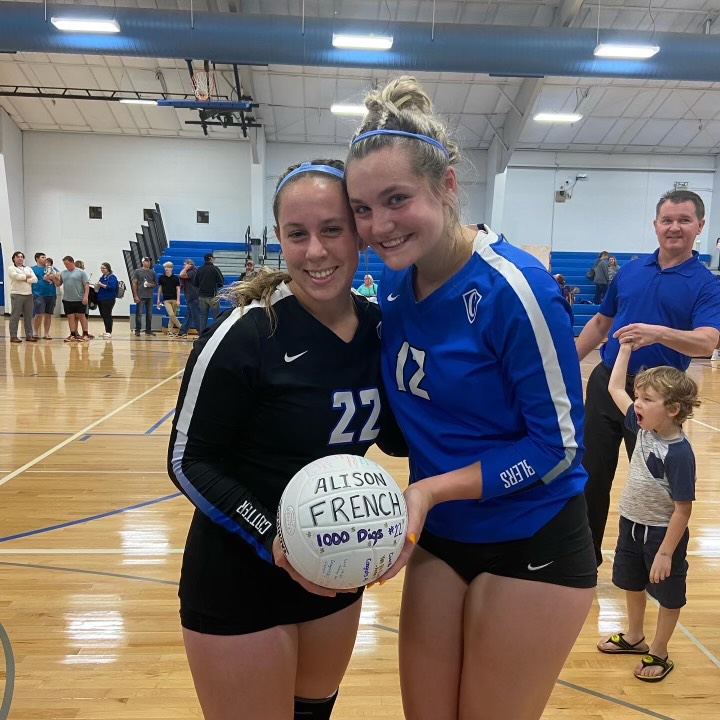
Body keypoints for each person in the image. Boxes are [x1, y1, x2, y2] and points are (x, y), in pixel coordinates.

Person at [344, 76, 596, 720]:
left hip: (531, 534)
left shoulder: (517, 289)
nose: (378, 226)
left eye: (396, 199)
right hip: (439, 537)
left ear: (448, 185)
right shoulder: (394, 286)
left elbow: (558, 446)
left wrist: (428, 490)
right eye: (363, 209)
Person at [167, 159, 402, 720]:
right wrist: (272, 536)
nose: (315, 251)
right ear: (280, 239)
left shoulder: (384, 332)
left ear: (359, 231)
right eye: (298, 234)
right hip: (240, 575)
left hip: (337, 566)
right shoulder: (246, 334)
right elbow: (188, 460)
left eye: (332, 229)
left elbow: (396, 438)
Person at [576, 189, 720, 566]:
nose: (674, 227)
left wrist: (658, 333)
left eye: (684, 220)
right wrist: (562, 364)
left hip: (659, 400)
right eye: (667, 220)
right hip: (609, 383)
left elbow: (707, 340)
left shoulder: (706, 284)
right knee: (590, 476)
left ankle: (658, 561)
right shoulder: (632, 270)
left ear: (699, 226)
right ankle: (584, 559)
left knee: (655, 485)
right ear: (655, 225)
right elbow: (601, 322)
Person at [597, 339, 699, 682]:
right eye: (637, 397)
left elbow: (683, 510)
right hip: (631, 522)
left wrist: (666, 553)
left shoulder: (680, 453)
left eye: (646, 400)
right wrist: (624, 349)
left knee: (669, 595)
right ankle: (635, 636)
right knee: (631, 582)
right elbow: (613, 386)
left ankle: (660, 650)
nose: (636, 404)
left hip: (661, 533)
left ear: (672, 409)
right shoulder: (643, 427)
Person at [57, 256, 91, 343]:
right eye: (64, 264)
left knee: (81, 316)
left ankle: (85, 334)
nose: (66, 266)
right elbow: (58, 284)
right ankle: (73, 334)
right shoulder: (63, 273)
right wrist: (53, 278)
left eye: (67, 264)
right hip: (67, 299)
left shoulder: (81, 272)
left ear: (72, 262)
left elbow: (86, 285)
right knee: (70, 317)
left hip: (79, 298)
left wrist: (86, 296)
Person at [8, 251, 38, 343]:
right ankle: (13, 336)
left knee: (28, 316)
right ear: (14, 258)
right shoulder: (11, 268)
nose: (20, 258)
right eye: (18, 257)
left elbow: (35, 279)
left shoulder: (28, 268)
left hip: (28, 295)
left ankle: (29, 335)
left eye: (22, 257)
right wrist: (27, 277)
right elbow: (16, 277)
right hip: (17, 294)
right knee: (15, 316)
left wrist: (26, 278)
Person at [194, 252, 225, 334]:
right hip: (213, 295)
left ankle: (202, 334)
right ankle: (215, 333)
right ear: (210, 258)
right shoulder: (215, 269)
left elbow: (195, 283)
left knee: (203, 316)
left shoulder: (199, 269)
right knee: (216, 316)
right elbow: (221, 281)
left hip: (202, 296)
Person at [30, 251, 56, 340]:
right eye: (42, 257)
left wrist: (52, 277)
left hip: (51, 294)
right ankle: (35, 332)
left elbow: (58, 275)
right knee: (39, 313)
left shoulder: (51, 268)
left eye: (45, 257)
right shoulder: (32, 269)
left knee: (48, 314)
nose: (45, 258)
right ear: (37, 259)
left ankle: (46, 333)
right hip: (38, 294)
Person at [132, 257, 157, 337]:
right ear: (143, 262)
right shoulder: (138, 271)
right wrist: (135, 295)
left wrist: (151, 285)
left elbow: (155, 283)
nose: (148, 262)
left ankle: (148, 330)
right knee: (139, 314)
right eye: (146, 261)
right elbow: (134, 283)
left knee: (149, 314)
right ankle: (138, 330)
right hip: (140, 295)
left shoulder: (152, 272)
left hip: (149, 296)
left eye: (149, 261)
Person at [157, 261, 182, 337]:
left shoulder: (175, 278)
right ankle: (181, 327)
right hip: (166, 299)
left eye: (168, 267)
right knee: (171, 314)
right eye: (165, 267)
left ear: (171, 268)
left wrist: (178, 300)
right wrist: (158, 298)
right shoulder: (161, 277)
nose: (166, 269)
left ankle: (169, 331)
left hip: (174, 299)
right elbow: (160, 288)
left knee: (172, 316)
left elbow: (178, 289)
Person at [95, 262, 118, 339]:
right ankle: (106, 331)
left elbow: (111, 287)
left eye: (103, 268)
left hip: (108, 298)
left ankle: (109, 331)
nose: (102, 270)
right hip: (101, 298)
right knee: (103, 315)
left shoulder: (112, 277)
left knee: (107, 314)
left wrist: (101, 285)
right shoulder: (102, 277)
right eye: (101, 268)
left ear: (108, 269)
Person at [178, 258, 199, 339]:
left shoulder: (191, 272)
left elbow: (181, 275)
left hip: (193, 296)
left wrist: (186, 268)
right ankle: (183, 332)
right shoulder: (194, 271)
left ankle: (201, 332)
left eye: (185, 264)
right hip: (191, 296)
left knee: (195, 315)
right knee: (189, 315)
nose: (184, 266)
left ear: (190, 264)